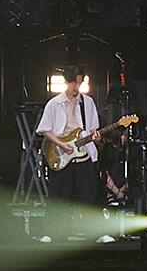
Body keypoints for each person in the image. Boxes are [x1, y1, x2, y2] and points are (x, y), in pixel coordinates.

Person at [36, 70, 108, 234]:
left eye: (79, 83)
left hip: (83, 154)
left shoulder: (87, 102)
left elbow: (93, 129)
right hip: (62, 154)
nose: (76, 87)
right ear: (67, 82)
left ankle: (94, 233)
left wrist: (96, 137)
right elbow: (44, 129)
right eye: (73, 83)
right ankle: (54, 233)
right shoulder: (54, 103)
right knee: (59, 196)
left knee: (89, 194)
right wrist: (61, 144)